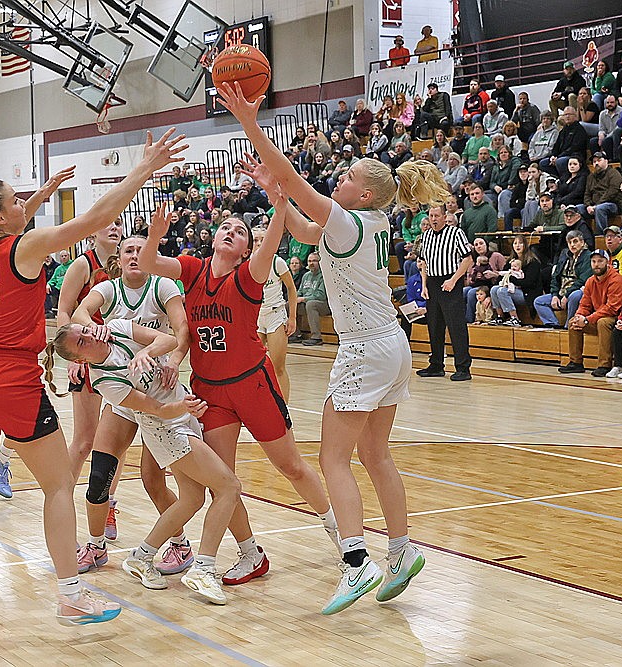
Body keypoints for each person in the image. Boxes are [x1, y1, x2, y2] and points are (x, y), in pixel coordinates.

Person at [0, 127, 186, 625]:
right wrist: (143, 168)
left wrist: (46, 192)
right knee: (58, 487)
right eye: (17, 199)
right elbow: (97, 218)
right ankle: (71, 594)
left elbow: (18, 219)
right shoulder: (24, 249)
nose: (24, 202)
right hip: (11, 378)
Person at [217, 81, 451, 614]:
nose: (339, 178)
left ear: (363, 193)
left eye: (347, 176)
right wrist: (273, 192)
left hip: (365, 349)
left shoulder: (348, 218)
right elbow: (301, 225)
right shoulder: (370, 221)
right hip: (392, 345)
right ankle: (401, 549)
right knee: (376, 454)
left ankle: (354, 562)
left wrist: (251, 126)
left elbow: (298, 184)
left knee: (332, 459)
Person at [139, 189, 339, 588]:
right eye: (225, 228)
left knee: (292, 467)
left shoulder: (248, 276)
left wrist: (280, 206)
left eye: (240, 232)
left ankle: (344, 539)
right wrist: (155, 235)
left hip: (252, 384)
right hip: (211, 391)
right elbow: (146, 262)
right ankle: (251, 553)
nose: (231, 232)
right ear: (213, 238)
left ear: (247, 248)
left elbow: (272, 244)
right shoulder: (192, 270)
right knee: (222, 483)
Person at [52, 318, 239, 605]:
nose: (90, 336)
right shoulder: (106, 381)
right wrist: (185, 406)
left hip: (182, 417)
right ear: (80, 359)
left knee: (191, 499)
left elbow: (170, 340)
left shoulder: (116, 328)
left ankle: (142, 556)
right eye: (82, 342)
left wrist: (146, 352)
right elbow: (157, 408)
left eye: (86, 331)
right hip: (167, 429)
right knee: (228, 487)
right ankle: (204, 568)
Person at [68, 232, 196, 577]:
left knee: (153, 482)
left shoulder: (164, 286)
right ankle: (95, 547)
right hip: (126, 398)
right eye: (128, 250)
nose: (135, 255)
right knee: (99, 477)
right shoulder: (110, 290)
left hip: (159, 392)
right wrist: (96, 331)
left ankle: (180, 545)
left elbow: (181, 330)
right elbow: (79, 312)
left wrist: (173, 360)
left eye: (141, 249)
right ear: (119, 258)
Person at [51, 219, 125, 530]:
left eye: (118, 223)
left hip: (119, 356)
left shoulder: (128, 261)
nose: (114, 227)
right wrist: (73, 354)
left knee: (117, 443)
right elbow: (64, 310)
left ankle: (106, 502)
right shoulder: (82, 264)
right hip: (86, 354)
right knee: (84, 441)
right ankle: (60, 499)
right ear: (92, 231)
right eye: (107, 223)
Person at [419, 204, 474, 380]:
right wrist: (424, 285)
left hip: (450, 281)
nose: (433, 219)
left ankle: (463, 368)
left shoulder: (456, 233)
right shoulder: (425, 236)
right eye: (431, 215)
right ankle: (436, 365)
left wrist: (453, 280)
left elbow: (467, 259)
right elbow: (423, 263)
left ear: (444, 217)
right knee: (434, 325)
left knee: (456, 326)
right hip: (432, 283)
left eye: (437, 215)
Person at [558, 249, 622, 376]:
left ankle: (604, 365)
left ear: (608, 263)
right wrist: (579, 316)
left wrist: (587, 320)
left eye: (600, 261)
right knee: (573, 322)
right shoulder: (590, 281)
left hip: (618, 318)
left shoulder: (616, 280)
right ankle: (576, 362)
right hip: (598, 316)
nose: (596, 264)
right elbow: (584, 304)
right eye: (594, 261)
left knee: (603, 322)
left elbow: (612, 308)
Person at [251, 227, 298, 397]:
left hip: (275, 314)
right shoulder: (245, 263)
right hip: (255, 317)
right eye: (255, 240)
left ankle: (284, 413)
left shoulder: (277, 262)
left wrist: (292, 317)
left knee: (278, 367)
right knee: (249, 366)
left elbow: (291, 289)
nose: (259, 243)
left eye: (263, 239)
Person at [534, 230, 591, 328]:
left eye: (575, 241)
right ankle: (553, 325)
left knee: (575, 296)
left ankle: (568, 326)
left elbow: (582, 280)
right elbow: (555, 276)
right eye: (569, 242)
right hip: (561, 292)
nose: (572, 245)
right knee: (539, 301)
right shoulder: (565, 256)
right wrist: (555, 294)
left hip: (578, 291)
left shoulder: (588, 257)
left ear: (582, 242)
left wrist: (567, 295)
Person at [489, 234, 543, 326]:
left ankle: (515, 318)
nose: (517, 246)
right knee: (494, 289)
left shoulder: (532, 262)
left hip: (527, 293)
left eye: (520, 243)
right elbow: (501, 277)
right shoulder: (511, 261)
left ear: (525, 245)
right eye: (515, 243)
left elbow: (528, 282)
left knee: (502, 291)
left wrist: (511, 279)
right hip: (514, 289)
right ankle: (499, 316)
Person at [289, 251, 330, 346]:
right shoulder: (306, 275)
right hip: (307, 305)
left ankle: (317, 337)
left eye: (314, 261)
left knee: (311, 304)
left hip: (323, 305)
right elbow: (300, 291)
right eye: (309, 261)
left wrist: (304, 299)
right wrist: (295, 297)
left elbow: (321, 295)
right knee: (288, 304)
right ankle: (296, 334)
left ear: (320, 262)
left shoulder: (324, 276)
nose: (311, 263)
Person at [576, 151, 622, 233]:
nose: (596, 163)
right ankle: (583, 234)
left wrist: (596, 205)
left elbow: (612, 192)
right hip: (593, 206)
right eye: (594, 161)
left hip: (612, 204)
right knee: (577, 209)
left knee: (600, 209)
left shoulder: (614, 173)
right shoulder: (590, 177)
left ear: (606, 161)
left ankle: (601, 235)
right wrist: (588, 206)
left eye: (599, 160)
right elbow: (587, 194)